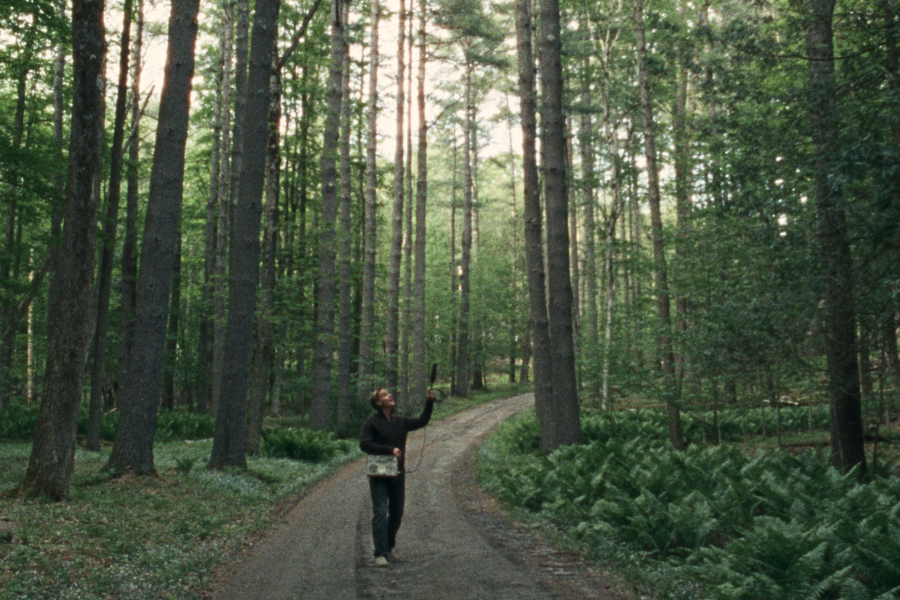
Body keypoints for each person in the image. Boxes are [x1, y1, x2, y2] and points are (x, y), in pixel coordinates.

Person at [359, 387, 437, 567]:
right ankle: (380, 553)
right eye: (385, 395)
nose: (390, 396)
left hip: (398, 473)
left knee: (396, 513)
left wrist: (429, 402)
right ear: (379, 403)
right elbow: (364, 444)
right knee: (379, 512)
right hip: (379, 474)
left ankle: (389, 548)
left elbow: (422, 421)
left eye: (389, 393)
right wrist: (389, 450)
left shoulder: (399, 421)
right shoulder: (371, 422)